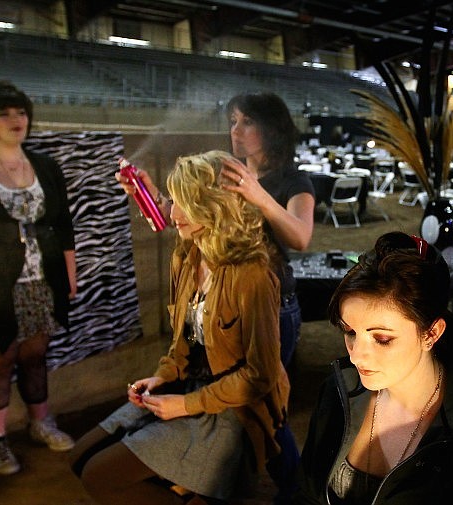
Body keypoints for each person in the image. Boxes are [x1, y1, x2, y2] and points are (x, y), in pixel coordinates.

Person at [116, 92, 312, 502]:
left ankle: (294, 488)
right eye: (233, 121)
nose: (235, 130)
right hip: (223, 297)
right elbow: (195, 218)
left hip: (268, 299)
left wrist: (257, 194)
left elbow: (301, 236)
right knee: (229, 396)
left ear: (272, 130)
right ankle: (219, 476)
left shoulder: (293, 181)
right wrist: (151, 195)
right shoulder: (229, 169)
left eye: (246, 122)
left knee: (267, 409)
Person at [69, 151, 290, 504]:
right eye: (173, 201)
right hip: (189, 387)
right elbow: (181, 344)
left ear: (214, 206)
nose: (173, 213)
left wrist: (186, 405)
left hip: (229, 409)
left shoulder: (252, 275)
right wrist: (162, 376)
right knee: (79, 457)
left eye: (184, 203)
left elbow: (259, 376)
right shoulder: (187, 257)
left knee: (100, 477)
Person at [292, 231, 453, 504]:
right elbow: (306, 492)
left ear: (431, 333)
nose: (357, 357)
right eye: (350, 332)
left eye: (382, 339)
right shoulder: (338, 392)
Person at [0, 80, 77, 475]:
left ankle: (41, 422)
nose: (15, 120)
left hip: (43, 279)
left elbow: (64, 225)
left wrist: (69, 277)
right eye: (3, 113)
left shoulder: (46, 165)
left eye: (20, 112)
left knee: (36, 354)